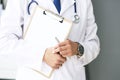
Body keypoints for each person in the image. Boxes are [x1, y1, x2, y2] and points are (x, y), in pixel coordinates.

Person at [0, 0, 100, 80]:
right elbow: (4, 41)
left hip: (71, 76)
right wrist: (42, 55)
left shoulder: (83, 2)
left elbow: (94, 44)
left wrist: (78, 48)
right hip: (33, 76)